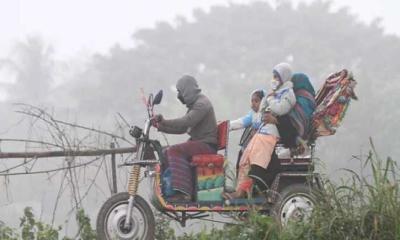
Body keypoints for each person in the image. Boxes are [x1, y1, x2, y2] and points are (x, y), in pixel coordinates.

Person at [223, 62, 296, 199]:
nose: (274, 79)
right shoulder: (274, 95)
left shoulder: (287, 94)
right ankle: (239, 191)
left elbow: (279, 109)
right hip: (261, 135)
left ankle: (247, 192)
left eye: (277, 76)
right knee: (244, 160)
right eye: (273, 76)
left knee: (257, 165)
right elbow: (249, 119)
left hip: (268, 136)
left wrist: (269, 99)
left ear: (284, 78)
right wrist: (224, 126)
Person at [155, 75, 218, 201]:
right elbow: (182, 129)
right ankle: (169, 190)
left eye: (179, 92)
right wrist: (160, 126)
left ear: (186, 90)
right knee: (166, 152)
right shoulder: (195, 105)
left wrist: (165, 121)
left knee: (174, 151)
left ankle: (184, 193)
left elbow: (186, 122)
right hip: (199, 143)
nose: (179, 96)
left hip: (206, 145)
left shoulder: (202, 104)